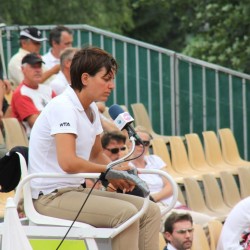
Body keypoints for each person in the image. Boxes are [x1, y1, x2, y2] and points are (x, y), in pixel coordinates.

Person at [28, 46, 161, 250]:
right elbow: (68, 163)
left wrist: (118, 173)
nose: (111, 86)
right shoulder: (63, 107)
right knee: (125, 214)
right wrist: (110, 172)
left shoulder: (89, 108)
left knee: (150, 210)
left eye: (112, 80)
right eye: (106, 79)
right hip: (50, 197)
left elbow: (97, 153)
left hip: (74, 191)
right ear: (85, 78)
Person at [128, 126, 214, 226]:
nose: (141, 146)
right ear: (130, 143)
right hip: (154, 208)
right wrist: (152, 201)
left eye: (145, 143)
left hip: (171, 204)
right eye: (137, 142)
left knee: (210, 223)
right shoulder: (126, 166)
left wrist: (154, 198)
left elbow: (170, 186)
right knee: (198, 225)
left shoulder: (155, 159)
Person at [11, 53, 56, 137]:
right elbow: (36, 124)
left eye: (39, 66)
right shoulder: (21, 93)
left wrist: (41, 113)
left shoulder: (48, 90)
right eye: (33, 67)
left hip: (52, 135)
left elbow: (61, 112)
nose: (38, 70)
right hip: (32, 140)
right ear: (23, 69)